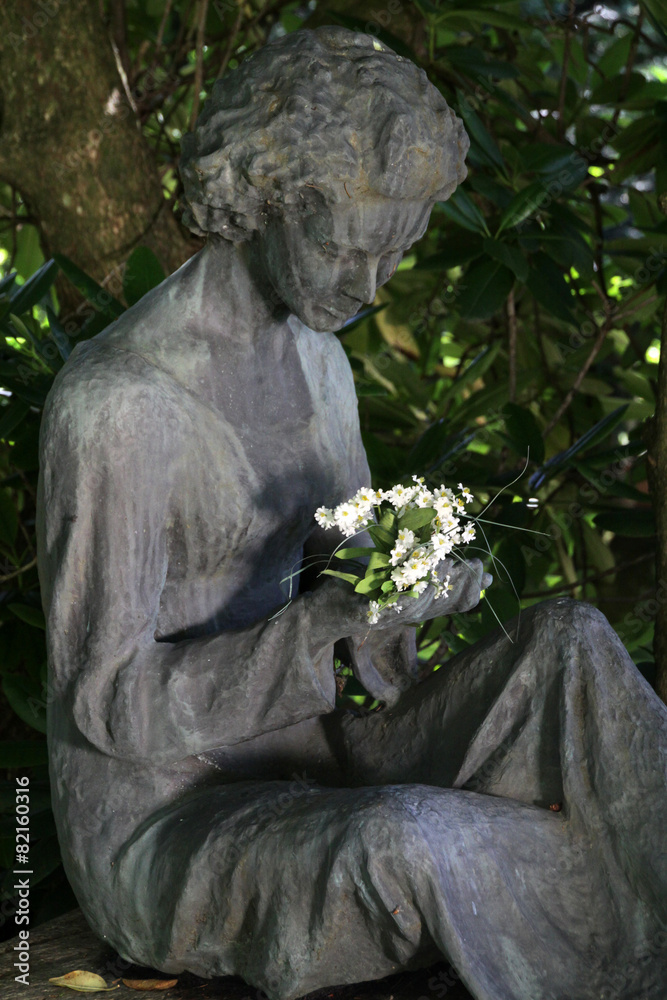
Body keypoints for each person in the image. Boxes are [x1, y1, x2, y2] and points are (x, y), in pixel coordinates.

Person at [37, 27, 666, 1000]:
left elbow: (351, 588)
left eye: (395, 255)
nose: (367, 288)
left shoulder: (320, 365)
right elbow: (106, 701)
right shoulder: (119, 406)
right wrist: (315, 631)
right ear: (263, 196)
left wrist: (407, 582)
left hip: (317, 753)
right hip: (169, 822)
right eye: (342, 247)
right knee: (411, 839)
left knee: (572, 644)